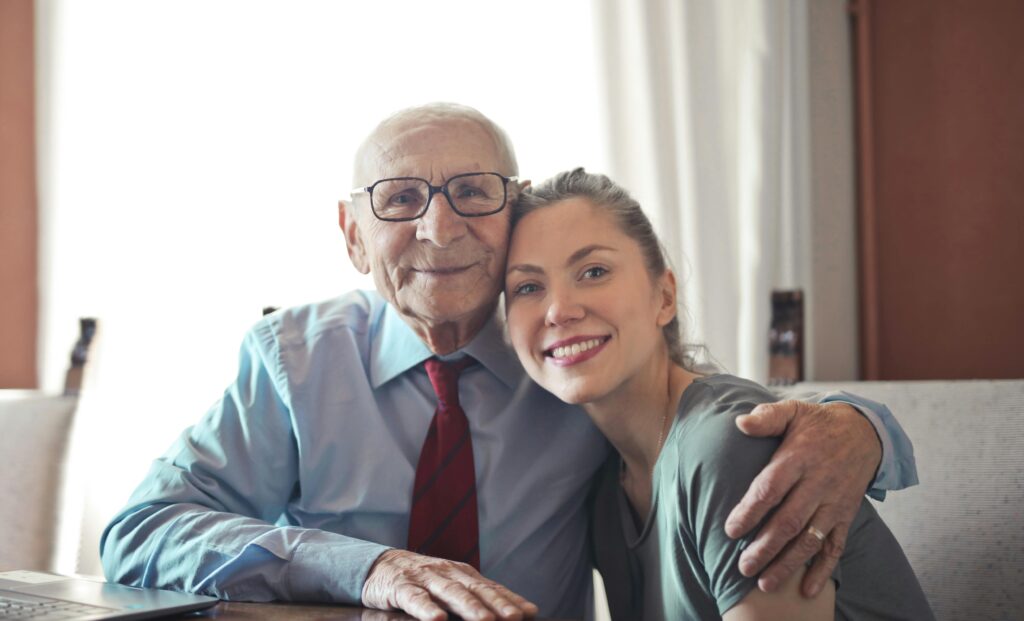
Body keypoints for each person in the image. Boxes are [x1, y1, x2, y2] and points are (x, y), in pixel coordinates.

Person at [100, 104, 918, 621]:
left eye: (472, 192)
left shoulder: (567, 363)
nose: (439, 226)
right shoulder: (292, 364)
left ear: (508, 216)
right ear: (353, 236)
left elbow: (712, 419)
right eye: (399, 199)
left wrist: (862, 427)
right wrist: (368, 568)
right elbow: (139, 531)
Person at [503, 168, 933, 620]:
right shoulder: (606, 491)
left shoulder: (730, 444)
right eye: (527, 287)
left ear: (664, 297)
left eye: (594, 271)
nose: (559, 310)